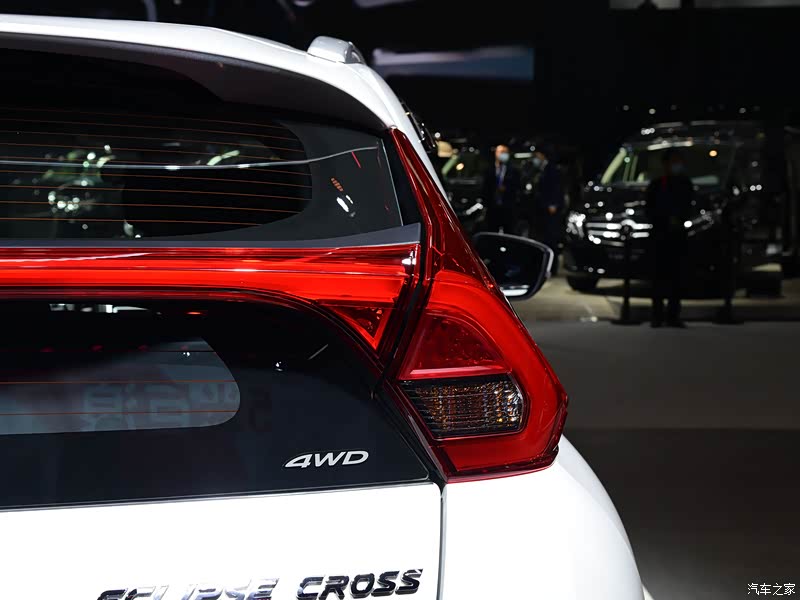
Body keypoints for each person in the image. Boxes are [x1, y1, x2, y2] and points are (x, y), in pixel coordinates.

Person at [645, 148, 693, 328]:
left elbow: (688, 206)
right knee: (658, 277)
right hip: (660, 235)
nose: (676, 165)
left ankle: (673, 314)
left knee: (677, 277)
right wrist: (664, 219)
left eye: (678, 161)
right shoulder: (657, 185)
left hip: (678, 236)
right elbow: (649, 209)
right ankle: (657, 314)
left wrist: (678, 219)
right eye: (673, 161)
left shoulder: (685, 184)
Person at [531, 147, 565, 275]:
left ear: (542, 155)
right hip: (541, 210)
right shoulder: (539, 170)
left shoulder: (552, 169)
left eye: (537, 155)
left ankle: (552, 267)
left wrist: (553, 204)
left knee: (551, 239)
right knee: (542, 238)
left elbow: (557, 188)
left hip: (550, 209)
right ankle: (543, 266)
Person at [482, 144, 520, 234]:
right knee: (492, 232)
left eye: (506, 152)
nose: (504, 154)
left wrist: (507, 189)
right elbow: (484, 188)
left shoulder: (514, 171)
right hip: (492, 208)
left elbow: (518, 188)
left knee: (508, 233)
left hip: (508, 208)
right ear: (496, 153)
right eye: (502, 152)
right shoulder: (489, 170)